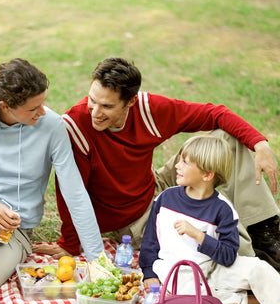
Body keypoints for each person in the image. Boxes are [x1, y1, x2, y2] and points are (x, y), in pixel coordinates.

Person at [33, 57, 280, 271]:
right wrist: (69, 243)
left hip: (155, 184)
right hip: (133, 218)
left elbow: (214, 113)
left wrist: (260, 144)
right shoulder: (76, 126)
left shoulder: (148, 110)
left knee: (228, 138)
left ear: (130, 102)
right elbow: (71, 191)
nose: (95, 111)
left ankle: (265, 231)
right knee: (204, 236)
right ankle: (246, 259)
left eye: (107, 106)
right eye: (92, 100)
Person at [0, 58, 104, 301]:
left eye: (43, 103)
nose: (42, 112)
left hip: (17, 229)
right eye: (33, 108)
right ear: (5, 106)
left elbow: (75, 193)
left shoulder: (52, 127)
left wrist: (98, 260)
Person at [139, 135, 280, 304]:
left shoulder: (223, 209)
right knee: (188, 298)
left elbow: (229, 256)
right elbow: (149, 242)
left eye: (185, 162)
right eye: (180, 159)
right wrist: (148, 273)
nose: (177, 165)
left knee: (258, 268)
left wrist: (199, 236)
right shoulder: (166, 199)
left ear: (207, 175)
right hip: (178, 273)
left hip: (214, 267)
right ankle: (247, 300)